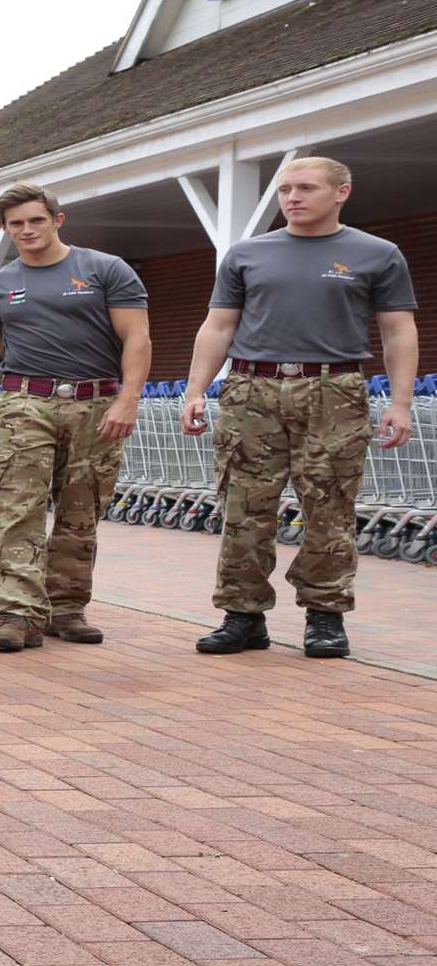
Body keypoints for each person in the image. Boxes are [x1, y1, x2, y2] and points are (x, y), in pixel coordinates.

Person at [181, 157, 418, 658]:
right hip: (251, 391)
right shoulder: (247, 254)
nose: (292, 197)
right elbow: (218, 326)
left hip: (334, 391)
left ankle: (325, 617)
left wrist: (400, 402)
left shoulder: (377, 254)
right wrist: (195, 389)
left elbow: (398, 330)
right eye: (286, 189)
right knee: (244, 506)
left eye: (306, 188)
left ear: (342, 193)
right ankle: (242, 616)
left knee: (329, 505)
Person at [0, 183, 150, 651]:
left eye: (35, 220)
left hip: (95, 401)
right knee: (14, 506)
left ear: (57, 221)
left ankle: (67, 608)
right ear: (5, 229)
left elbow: (136, 339)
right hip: (24, 402)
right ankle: (15, 613)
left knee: (81, 510)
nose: (26, 230)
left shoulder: (105, 270)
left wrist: (128, 399)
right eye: (15, 223)